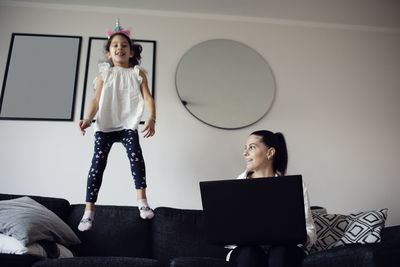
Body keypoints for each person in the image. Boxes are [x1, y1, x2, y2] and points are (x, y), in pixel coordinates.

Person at [77, 19, 156, 231]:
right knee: (97, 165)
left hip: (128, 124)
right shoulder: (105, 72)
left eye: (124, 45)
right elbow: (95, 99)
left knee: (136, 158)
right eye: (115, 45)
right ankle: (88, 212)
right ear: (109, 53)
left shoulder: (138, 73)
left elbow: (148, 97)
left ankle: (142, 201)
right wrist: (87, 118)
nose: (119, 48)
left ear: (131, 52)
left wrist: (151, 117)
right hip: (105, 125)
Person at [226, 130, 316, 267]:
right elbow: (228, 233)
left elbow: (309, 229)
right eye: (245, 148)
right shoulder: (236, 186)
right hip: (247, 250)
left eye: (252, 147)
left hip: (284, 249)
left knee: (279, 253)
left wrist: (302, 238)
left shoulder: (293, 186)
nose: (245, 153)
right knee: (249, 254)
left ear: (270, 153)